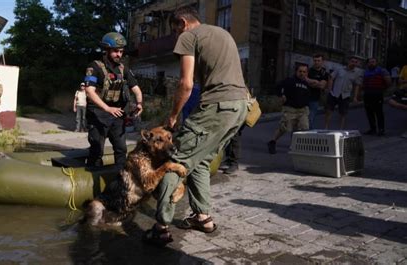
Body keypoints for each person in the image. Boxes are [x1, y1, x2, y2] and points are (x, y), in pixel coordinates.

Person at [142, 6, 248, 246]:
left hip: (218, 106)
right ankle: (202, 217)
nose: (176, 35)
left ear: (182, 22)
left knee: (176, 161)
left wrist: (173, 115)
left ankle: (160, 228)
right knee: (199, 160)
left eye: (174, 29)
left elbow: (186, 84)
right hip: (240, 107)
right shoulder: (222, 33)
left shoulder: (189, 36)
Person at [84, 32, 143, 170]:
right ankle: (93, 181)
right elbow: (89, 91)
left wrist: (139, 103)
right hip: (98, 113)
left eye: (121, 51)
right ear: (106, 50)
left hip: (117, 115)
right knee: (97, 150)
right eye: (116, 51)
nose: (119, 55)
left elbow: (136, 88)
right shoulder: (95, 67)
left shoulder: (123, 69)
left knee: (121, 149)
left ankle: (120, 180)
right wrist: (107, 108)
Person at [267, 64, 310, 154]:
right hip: (290, 109)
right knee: (284, 128)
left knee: (304, 128)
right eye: (300, 71)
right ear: (296, 71)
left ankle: (296, 146)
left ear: (307, 73)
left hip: (302, 110)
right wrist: (281, 95)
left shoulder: (307, 83)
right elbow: (278, 87)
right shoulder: (290, 80)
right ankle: (272, 142)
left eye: (304, 72)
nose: (302, 73)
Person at [324, 56, 363, 129]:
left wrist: (355, 97)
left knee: (343, 113)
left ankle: (340, 129)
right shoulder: (339, 69)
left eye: (355, 62)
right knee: (328, 111)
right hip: (334, 93)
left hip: (345, 95)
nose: (353, 63)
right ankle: (326, 128)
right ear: (349, 62)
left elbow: (357, 85)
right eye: (352, 61)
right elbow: (331, 77)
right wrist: (329, 89)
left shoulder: (357, 73)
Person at [355, 58, 391, 136]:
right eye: (370, 62)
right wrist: (361, 92)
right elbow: (362, 83)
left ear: (376, 63)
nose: (371, 63)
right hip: (367, 94)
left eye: (373, 62)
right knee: (369, 112)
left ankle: (381, 129)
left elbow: (388, 82)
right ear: (368, 64)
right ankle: (373, 129)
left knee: (379, 112)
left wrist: (382, 89)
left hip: (377, 93)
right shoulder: (365, 72)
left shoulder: (381, 71)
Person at [305, 54, 329, 130]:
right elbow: (305, 80)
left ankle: (309, 136)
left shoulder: (324, 73)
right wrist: (315, 81)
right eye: (315, 60)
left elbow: (322, 86)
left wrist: (311, 83)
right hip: (304, 97)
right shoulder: (308, 70)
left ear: (322, 61)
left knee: (310, 119)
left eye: (318, 60)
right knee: (302, 119)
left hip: (314, 99)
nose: (316, 62)